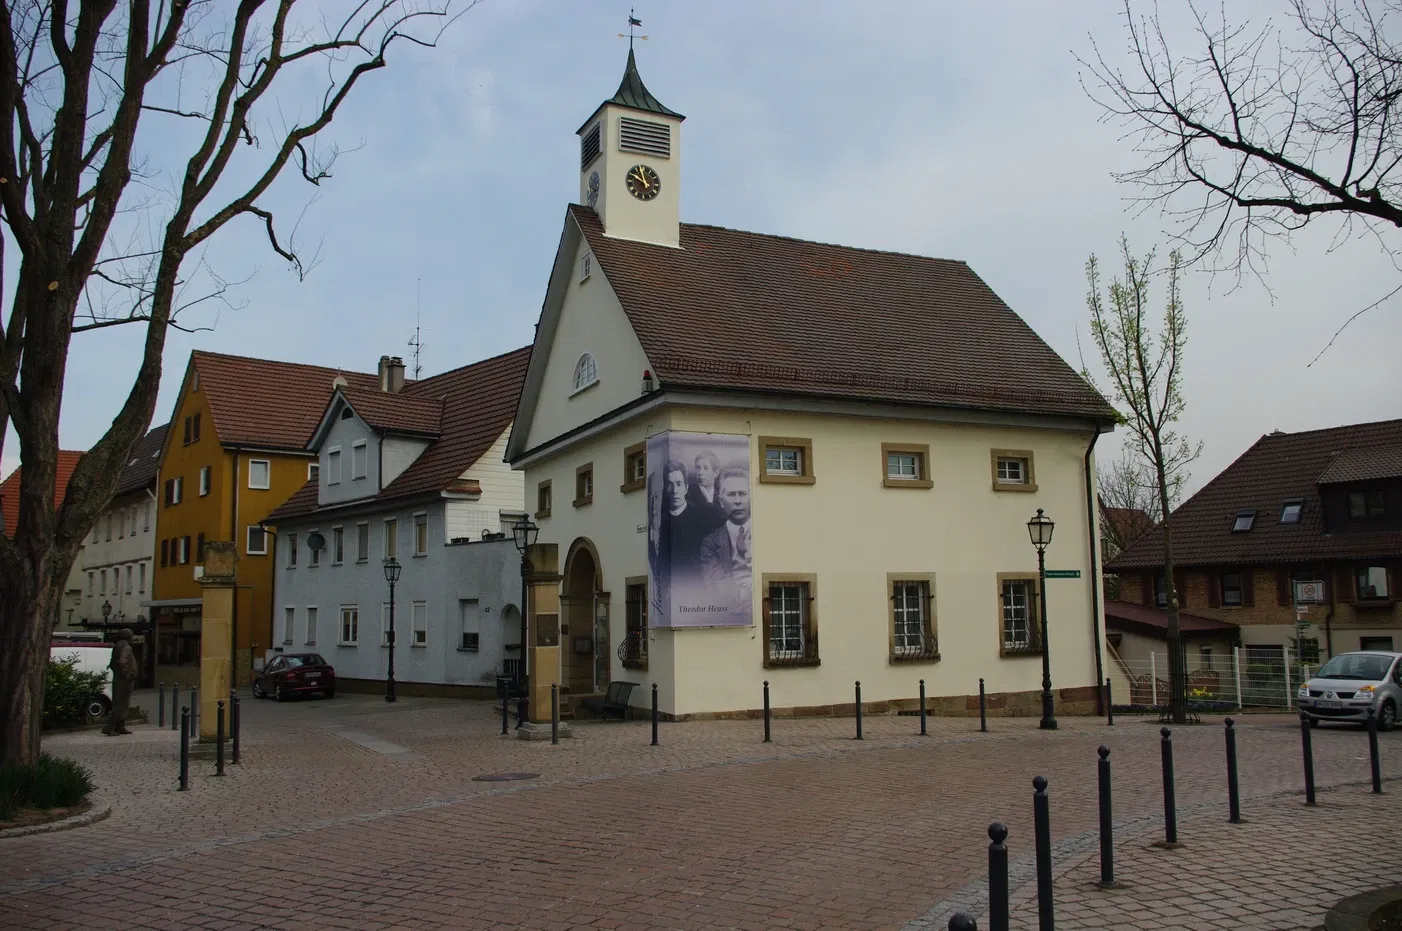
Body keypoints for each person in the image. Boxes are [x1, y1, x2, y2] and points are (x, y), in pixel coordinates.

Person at [699, 469, 753, 623]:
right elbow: (717, 584)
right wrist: (748, 593)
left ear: (751, 496)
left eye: (742, 494)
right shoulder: (710, 543)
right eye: (731, 494)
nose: (738, 501)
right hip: (731, 613)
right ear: (721, 501)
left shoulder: (767, 533)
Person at [662, 457, 715, 581]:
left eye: (679, 484)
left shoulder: (702, 515)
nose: (675, 491)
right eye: (670, 485)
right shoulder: (660, 519)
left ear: (686, 488)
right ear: (665, 489)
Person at [102, 628, 140, 736]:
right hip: (124, 680)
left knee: (121, 703)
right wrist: (127, 674)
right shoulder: (126, 647)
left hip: (118, 678)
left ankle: (120, 726)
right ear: (128, 637)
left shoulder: (117, 646)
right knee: (121, 704)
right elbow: (122, 662)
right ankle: (109, 728)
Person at [687, 451, 724, 523]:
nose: (700, 472)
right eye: (698, 468)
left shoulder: (722, 494)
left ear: (716, 473)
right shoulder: (688, 494)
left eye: (706, 468)